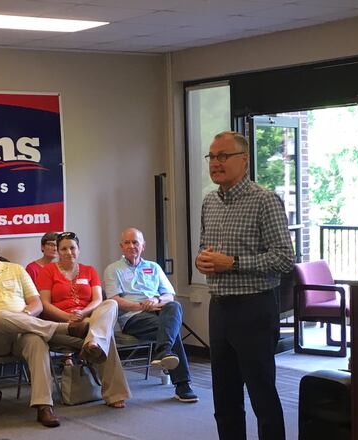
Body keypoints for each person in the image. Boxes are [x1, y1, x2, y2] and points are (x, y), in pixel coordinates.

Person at [195, 131, 294, 440]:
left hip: (254, 307)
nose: (216, 163)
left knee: (261, 392)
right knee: (224, 395)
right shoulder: (209, 202)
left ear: (244, 160)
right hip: (219, 308)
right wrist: (203, 261)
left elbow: (285, 258)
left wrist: (234, 262)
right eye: (212, 157)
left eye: (223, 156)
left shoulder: (265, 200)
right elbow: (205, 248)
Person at [0, 222, 91, 428]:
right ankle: (64, 329)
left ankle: (44, 406)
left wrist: (23, 317)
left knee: (36, 340)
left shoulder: (16, 269)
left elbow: (36, 303)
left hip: (22, 331)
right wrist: (16, 317)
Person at [36, 231, 131, 408]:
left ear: (79, 250)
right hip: (62, 322)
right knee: (106, 335)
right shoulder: (48, 271)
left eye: (72, 248)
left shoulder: (89, 270)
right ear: (58, 251)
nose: (68, 252)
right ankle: (115, 393)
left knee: (110, 303)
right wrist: (68, 317)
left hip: (89, 318)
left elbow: (97, 299)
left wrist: (83, 312)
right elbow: (45, 304)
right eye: (63, 249)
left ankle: (94, 340)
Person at [104, 227, 198, 403]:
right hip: (133, 318)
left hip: (158, 311)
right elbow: (115, 300)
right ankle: (182, 384)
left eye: (135, 242)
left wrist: (155, 299)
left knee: (174, 306)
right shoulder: (113, 269)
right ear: (121, 246)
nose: (132, 246)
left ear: (143, 246)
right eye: (127, 242)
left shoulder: (153, 267)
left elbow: (169, 295)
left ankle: (164, 351)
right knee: (172, 330)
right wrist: (141, 305)